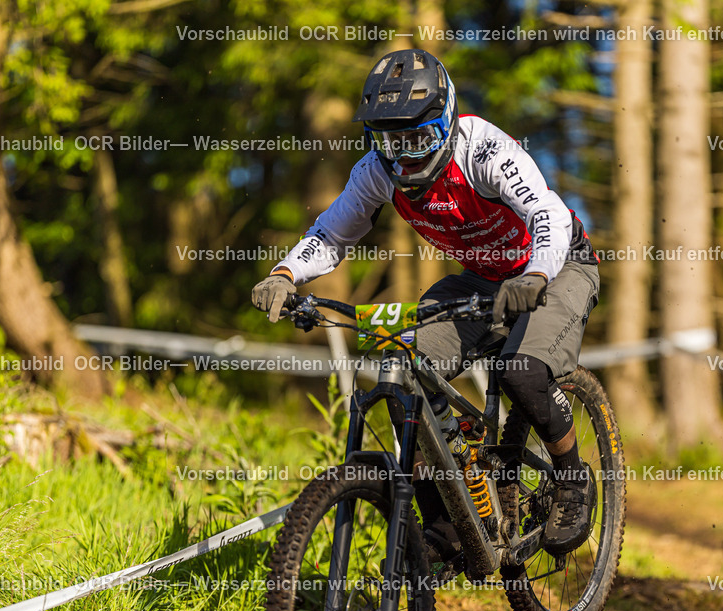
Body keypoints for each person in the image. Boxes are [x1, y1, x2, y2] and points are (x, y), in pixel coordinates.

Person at [252, 49, 600, 558]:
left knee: (523, 371)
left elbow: (548, 212)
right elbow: (332, 232)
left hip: (558, 263)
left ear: (448, 120)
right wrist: (285, 273)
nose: (406, 155)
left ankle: (573, 479)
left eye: (418, 138)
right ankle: (448, 519)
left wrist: (537, 273)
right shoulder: (378, 170)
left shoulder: (483, 152)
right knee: (404, 371)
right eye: (391, 141)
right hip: (481, 279)